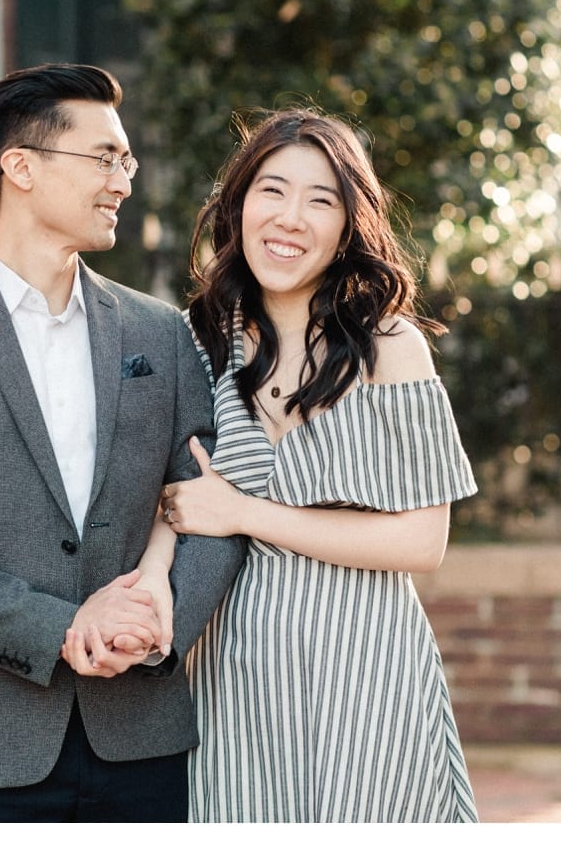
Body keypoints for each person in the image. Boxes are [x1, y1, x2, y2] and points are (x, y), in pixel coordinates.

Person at [0, 63, 245, 823]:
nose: (123, 179)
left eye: (124, 159)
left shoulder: (158, 331)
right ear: (21, 166)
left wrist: (154, 630)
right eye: (104, 157)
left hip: (142, 739)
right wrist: (61, 630)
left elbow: (211, 502)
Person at [150, 107, 480, 822]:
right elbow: (160, 502)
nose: (291, 217)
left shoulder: (391, 348)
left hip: (367, 671)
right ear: (238, 206)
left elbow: (422, 542)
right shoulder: (193, 343)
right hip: (233, 673)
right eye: (272, 190)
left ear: (347, 224)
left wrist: (243, 511)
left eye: (320, 199)